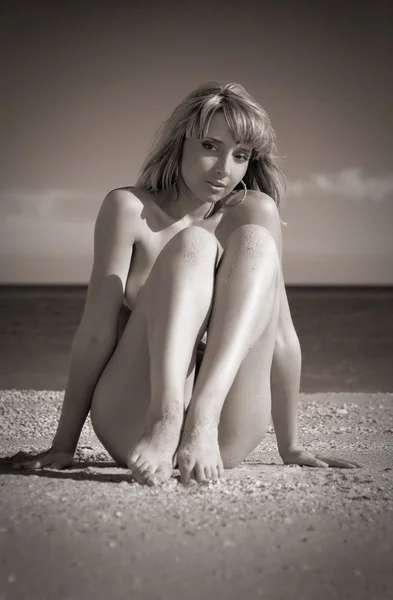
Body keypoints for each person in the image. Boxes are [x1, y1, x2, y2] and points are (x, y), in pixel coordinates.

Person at [11, 81, 360, 485]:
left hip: (222, 430)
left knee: (256, 239)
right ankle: (166, 418)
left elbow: (279, 335)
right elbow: (96, 333)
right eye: (210, 146)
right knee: (193, 243)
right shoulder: (128, 209)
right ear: (179, 144)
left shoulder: (254, 212)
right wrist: (63, 445)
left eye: (240, 155)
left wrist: (292, 446)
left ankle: (201, 419)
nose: (223, 169)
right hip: (134, 416)